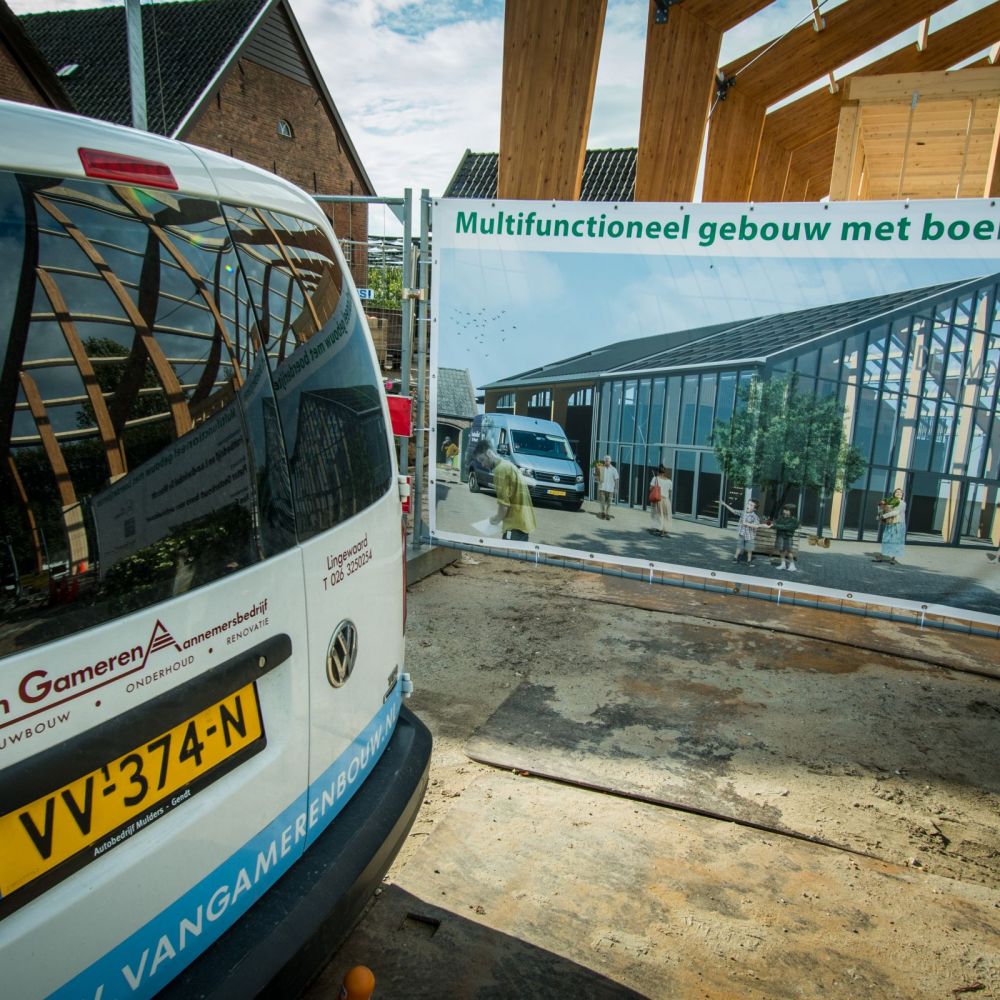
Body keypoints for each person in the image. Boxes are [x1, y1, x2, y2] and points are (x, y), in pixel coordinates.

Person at [473, 439, 536, 541]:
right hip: (523, 523)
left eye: (482, 460)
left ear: (489, 453)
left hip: (514, 526)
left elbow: (504, 506)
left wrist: (494, 520)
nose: (483, 465)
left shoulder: (500, 470)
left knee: (509, 555)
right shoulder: (508, 464)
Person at [721, 498, 761, 566]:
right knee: (739, 547)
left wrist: (748, 524)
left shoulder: (755, 517)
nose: (749, 506)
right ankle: (735, 558)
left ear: (755, 508)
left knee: (749, 549)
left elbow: (756, 526)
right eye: (748, 504)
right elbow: (733, 511)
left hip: (750, 536)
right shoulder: (743, 513)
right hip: (742, 534)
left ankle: (749, 561)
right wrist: (724, 504)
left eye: (751, 505)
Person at [875, 487, 906, 564]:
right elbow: (882, 508)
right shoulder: (890, 502)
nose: (899, 493)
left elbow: (896, 512)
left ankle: (892, 558)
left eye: (900, 492)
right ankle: (881, 556)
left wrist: (883, 516)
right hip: (890, 523)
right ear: (894, 494)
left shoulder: (902, 503)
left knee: (896, 541)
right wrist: (880, 512)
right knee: (886, 539)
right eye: (897, 492)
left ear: (902, 495)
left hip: (898, 524)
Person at [771, 504, 799, 571]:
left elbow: (787, 527)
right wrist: (771, 525)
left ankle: (792, 565)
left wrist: (776, 526)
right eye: (784, 509)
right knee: (781, 550)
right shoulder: (781, 517)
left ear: (792, 511)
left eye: (787, 510)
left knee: (789, 551)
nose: (785, 511)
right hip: (780, 536)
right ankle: (783, 564)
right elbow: (775, 523)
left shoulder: (794, 520)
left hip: (787, 537)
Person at [648, 464, 673, 537]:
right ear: (665, 472)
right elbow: (670, 492)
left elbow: (650, 489)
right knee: (666, 516)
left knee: (659, 515)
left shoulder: (655, 479)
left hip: (658, 499)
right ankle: (664, 530)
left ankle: (660, 529)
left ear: (658, 472)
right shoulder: (669, 481)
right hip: (666, 500)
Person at [596, 455, 619, 520]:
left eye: (607, 461)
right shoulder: (601, 468)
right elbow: (596, 476)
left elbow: (616, 479)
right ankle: (603, 512)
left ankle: (607, 513)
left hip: (610, 489)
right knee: (602, 502)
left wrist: (616, 488)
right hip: (602, 488)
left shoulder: (614, 469)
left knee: (609, 502)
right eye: (605, 461)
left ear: (610, 461)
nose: (606, 462)